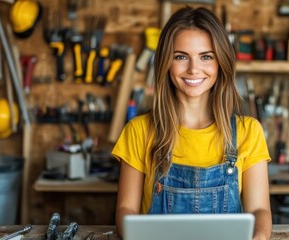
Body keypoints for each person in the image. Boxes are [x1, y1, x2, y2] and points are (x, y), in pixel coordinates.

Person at [112, 6, 272, 240]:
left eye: (206, 56)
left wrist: (258, 237)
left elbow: (259, 210)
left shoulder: (249, 132)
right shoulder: (139, 131)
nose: (193, 69)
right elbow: (126, 211)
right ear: (166, 62)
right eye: (180, 56)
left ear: (221, 62)